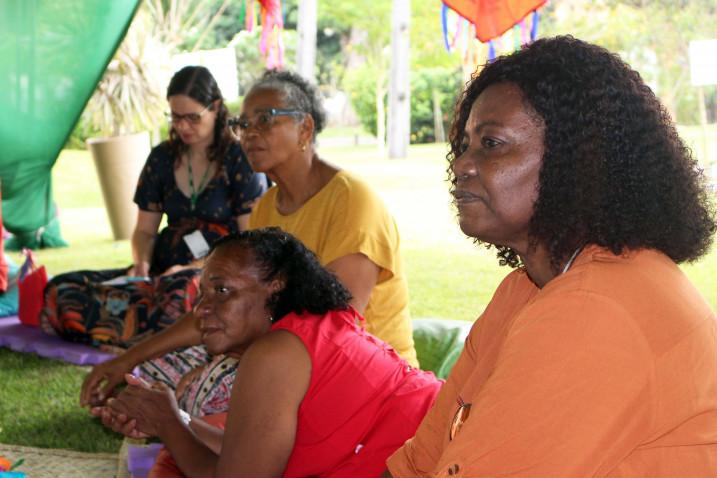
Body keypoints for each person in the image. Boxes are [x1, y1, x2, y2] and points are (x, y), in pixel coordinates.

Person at [385, 36, 717, 477]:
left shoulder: (596, 309)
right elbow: (419, 461)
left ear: (576, 160)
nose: (462, 164)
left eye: (491, 143)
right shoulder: (526, 288)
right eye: (464, 144)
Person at [80, 70, 418, 416]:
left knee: (207, 391)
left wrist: (226, 363)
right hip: (286, 352)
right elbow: (230, 309)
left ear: (305, 129)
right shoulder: (266, 209)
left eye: (266, 119)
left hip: (359, 373)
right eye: (244, 123)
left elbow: (334, 327)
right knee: (149, 374)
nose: (250, 133)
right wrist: (130, 357)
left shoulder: (352, 203)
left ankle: (195, 432)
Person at [98, 227, 441, 478]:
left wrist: (167, 422)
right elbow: (249, 454)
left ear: (275, 286)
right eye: (202, 294)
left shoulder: (275, 353)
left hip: (434, 458)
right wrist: (176, 420)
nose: (202, 308)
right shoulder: (309, 327)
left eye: (222, 290)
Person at [40, 65, 267, 348]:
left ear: (216, 108)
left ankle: (129, 330)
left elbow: (249, 243)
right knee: (62, 288)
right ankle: (141, 330)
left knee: (182, 294)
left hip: (212, 278)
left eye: (193, 118)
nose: (183, 126)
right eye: (176, 117)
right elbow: (145, 231)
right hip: (158, 275)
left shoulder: (240, 159)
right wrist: (141, 264)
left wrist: (194, 268)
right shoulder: (162, 158)